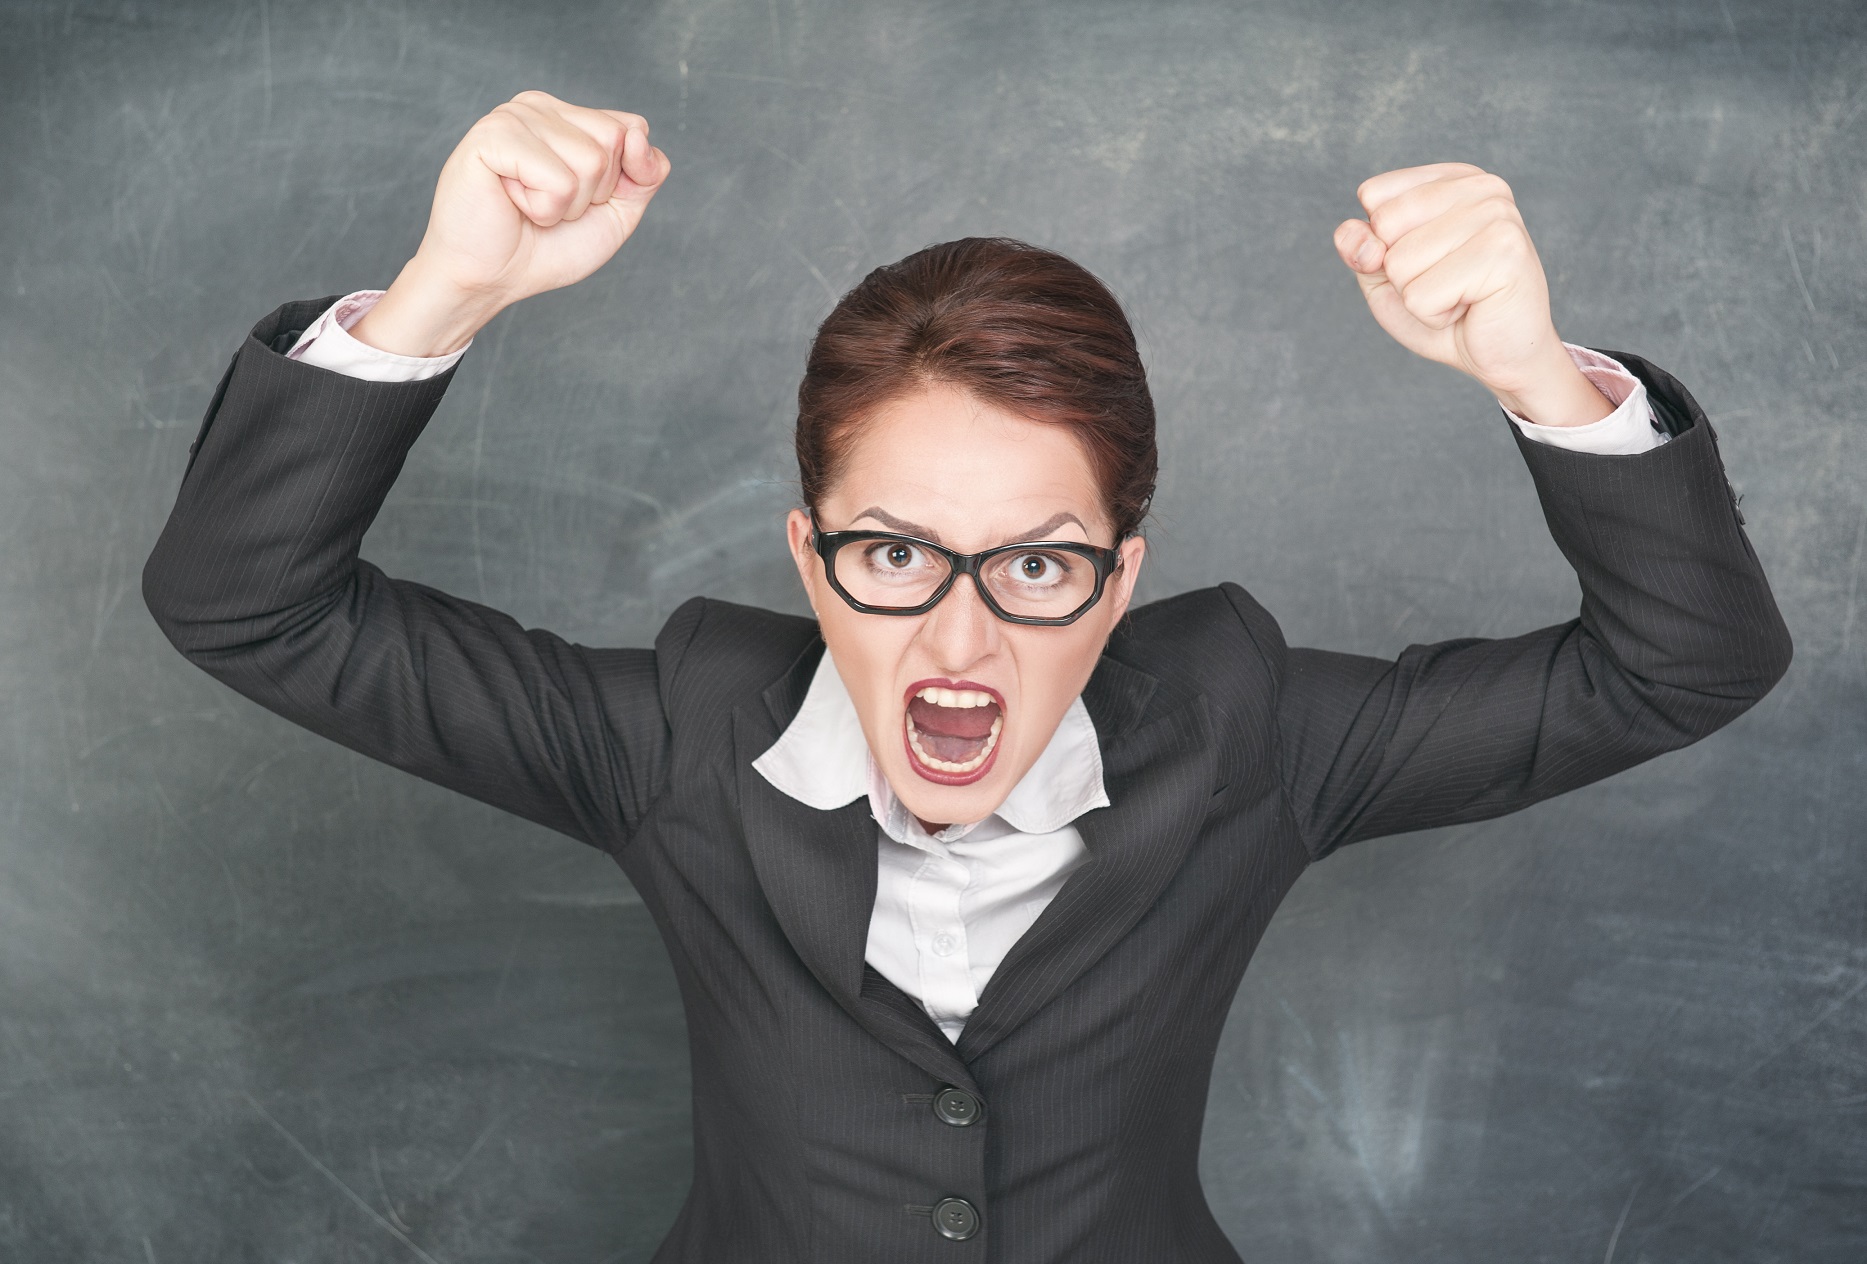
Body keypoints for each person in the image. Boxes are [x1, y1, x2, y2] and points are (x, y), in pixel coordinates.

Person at [141, 91, 1791, 1262]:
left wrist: (1536, 374)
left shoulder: (1254, 737)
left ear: (1120, 579)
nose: (958, 633)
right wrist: (447, 294)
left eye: (1041, 567)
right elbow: (245, 602)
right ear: (809, 556)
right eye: (892, 553)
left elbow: (1685, 660)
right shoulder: (669, 743)